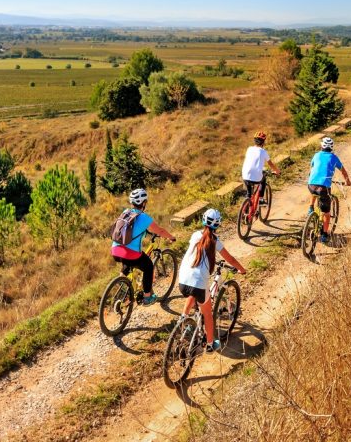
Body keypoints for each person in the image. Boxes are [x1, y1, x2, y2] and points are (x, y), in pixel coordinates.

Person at [177, 208, 246, 352]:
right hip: (198, 284)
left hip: (182, 280)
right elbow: (230, 259)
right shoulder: (215, 241)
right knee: (207, 314)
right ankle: (209, 344)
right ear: (218, 224)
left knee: (192, 291)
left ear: (203, 221)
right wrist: (241, 269)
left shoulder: (195, 234)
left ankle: (183, 318)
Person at [110, 188, 176, 305]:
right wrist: (170, 237)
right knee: (148, 266)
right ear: (144, 203)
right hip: (130, 254)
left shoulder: (125, 212)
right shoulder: (144, 218)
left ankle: (122, 283)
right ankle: (147, 297)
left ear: (132, 203)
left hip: (115, 249)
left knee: (127, 261)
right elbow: (160, 230)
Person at [307, 136, 351, 243]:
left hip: (311, 184)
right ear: (331, 147)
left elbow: (312, 168)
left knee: (314, 190)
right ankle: (325, 234)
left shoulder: (316, 155)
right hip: (324, 187)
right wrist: (347, 181)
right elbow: (343, 171)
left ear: (321, 146)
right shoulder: (333, 157)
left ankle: (311, 208)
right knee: (326, 212)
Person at [241, 131, 281, 203]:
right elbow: (270, 164)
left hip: (245, 175)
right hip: (256, 177)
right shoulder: (263, 151)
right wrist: (277, 171)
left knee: (249, 193)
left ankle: (246, 208)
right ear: (263, 142)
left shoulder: (249, 149)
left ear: (254, 141)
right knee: (263, 178)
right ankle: (261, 199)